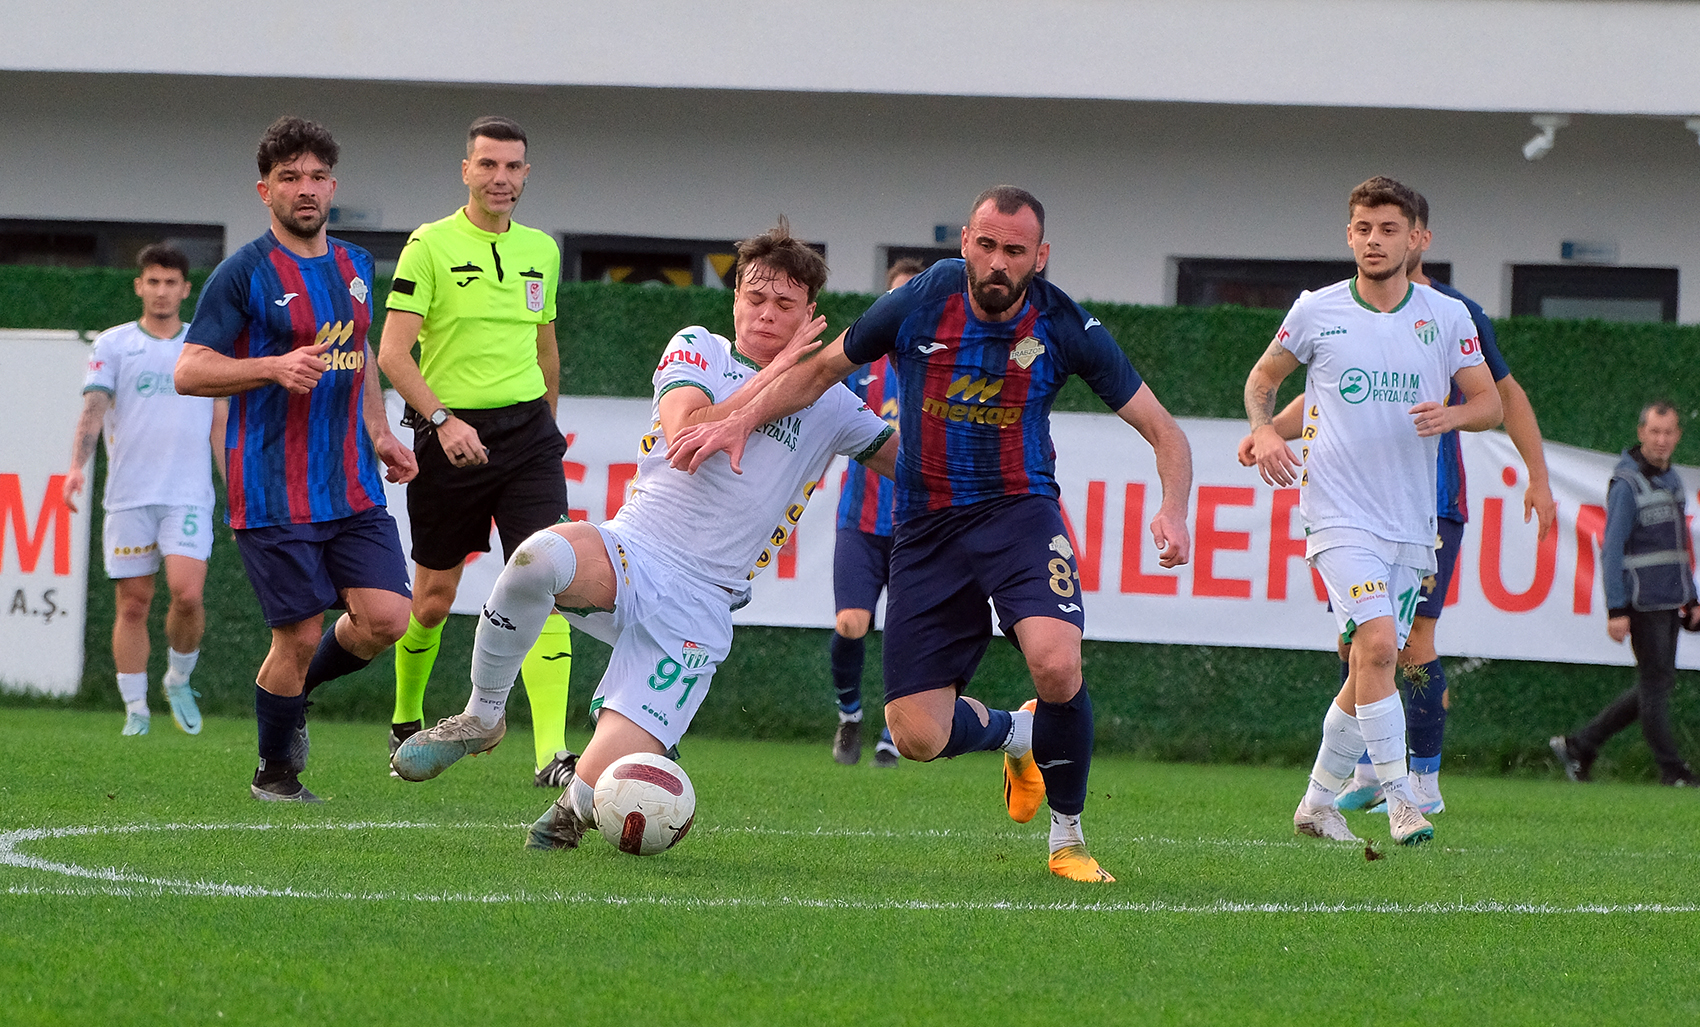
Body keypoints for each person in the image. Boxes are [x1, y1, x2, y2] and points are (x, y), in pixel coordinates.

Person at [668, 187, 1194, 883]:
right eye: (987, 244)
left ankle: (1067, 839)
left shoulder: (1063, 323)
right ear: (966, 243)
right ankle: (1020, 734)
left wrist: (1174, 509)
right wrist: (739, 419)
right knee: (917, 734)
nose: (998, 262)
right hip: (925, 526)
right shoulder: (921, 300)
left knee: (1056, 663)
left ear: (1039, 257)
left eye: (1015, 251)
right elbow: (821, 372)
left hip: (1020, 515)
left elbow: (1165, 431)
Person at [390, 220, 898, 848]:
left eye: (785, 304)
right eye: (755, 297)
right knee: (535, 559)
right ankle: (482, 715)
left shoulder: (834, 403)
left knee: (581, 805)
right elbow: (688, 434)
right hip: (634, 550)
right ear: (735, 299)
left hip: (702, 603)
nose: (767, 314)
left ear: (810, 314)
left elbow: (917, 467)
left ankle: (576, 801)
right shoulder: (699, 348)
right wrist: (780, 377)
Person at [1240, 189, 1558, 816]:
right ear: (1350, 234)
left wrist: (1537, 475)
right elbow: (1326, 388)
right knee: (1371, 645)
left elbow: (1502, 397)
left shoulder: (1454, 314)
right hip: (1341, 510)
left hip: (1427, 507)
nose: (1375, 240)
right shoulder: (1321, 309)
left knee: (1402, 647)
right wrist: (1268, 429)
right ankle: (1388, 785)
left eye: (1389, 229)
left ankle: (1398, 783)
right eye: (1364, 228)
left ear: (1418, 238)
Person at [175, 116, 417, 802]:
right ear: (266, 191)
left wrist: (379, 433)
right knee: (300, 633)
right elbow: (188, 371)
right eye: (289, 178)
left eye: (316, 177)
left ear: (332, 187)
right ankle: (274, 773)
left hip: (352, 484)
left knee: (387, 619)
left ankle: (293, 693)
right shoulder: (243, 273)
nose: (305, 188)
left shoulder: (356, 265)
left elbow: (359, 352)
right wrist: (271, 366)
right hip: (271, 488)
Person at [375, 116, 575, 787]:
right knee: (432, 599)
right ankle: (406, 717)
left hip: (530, 438)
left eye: (513, 166)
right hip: (449, 435)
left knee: (548, 579)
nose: (501, 178)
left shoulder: (542, 249)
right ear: (466, 170)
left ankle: (552, 754)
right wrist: (442, 420)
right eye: (488, 164)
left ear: (526, 174)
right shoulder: (428, 244)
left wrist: (545, 429)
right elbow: (392, 353)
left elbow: (546, 349)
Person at [64, 244, 227, 737]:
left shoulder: (204, 346)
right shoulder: (113, 344)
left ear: (185, 289)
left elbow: (219, 425)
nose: (161, 291)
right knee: (133, 604)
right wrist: (75, 469)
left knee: (187, 594)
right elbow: (93, 411)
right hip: (129, 496)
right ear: (139, 286)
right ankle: (135, 709)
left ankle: (178, 678)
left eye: (170, 282)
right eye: (153, 281)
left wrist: (235, 490)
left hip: (188, 495)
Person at [1551, 402, 1700, 786]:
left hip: (1670, 599)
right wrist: (1616, 608)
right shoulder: (1626, 484)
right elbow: (1611, 549)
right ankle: (1672, 770)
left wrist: (1691, 598)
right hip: (1642, 601)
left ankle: (1581, 744)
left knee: (1657, 683)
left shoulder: (1672, 480)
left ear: (1678, 435)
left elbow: (1678, 548)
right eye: (1655, 432)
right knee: (1656, 685)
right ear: (1641, 433)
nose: (1661, 440)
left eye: (1668, 432)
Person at [827, 258, 922, 768]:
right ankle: (850, 716)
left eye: (914, 296)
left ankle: (892, 733)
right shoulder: (862, 365)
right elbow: (823, 419)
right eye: (896, 297)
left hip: (919, 527)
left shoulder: (943, 368)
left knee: (905, 636)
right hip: (860, 523)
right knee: (851, 623)